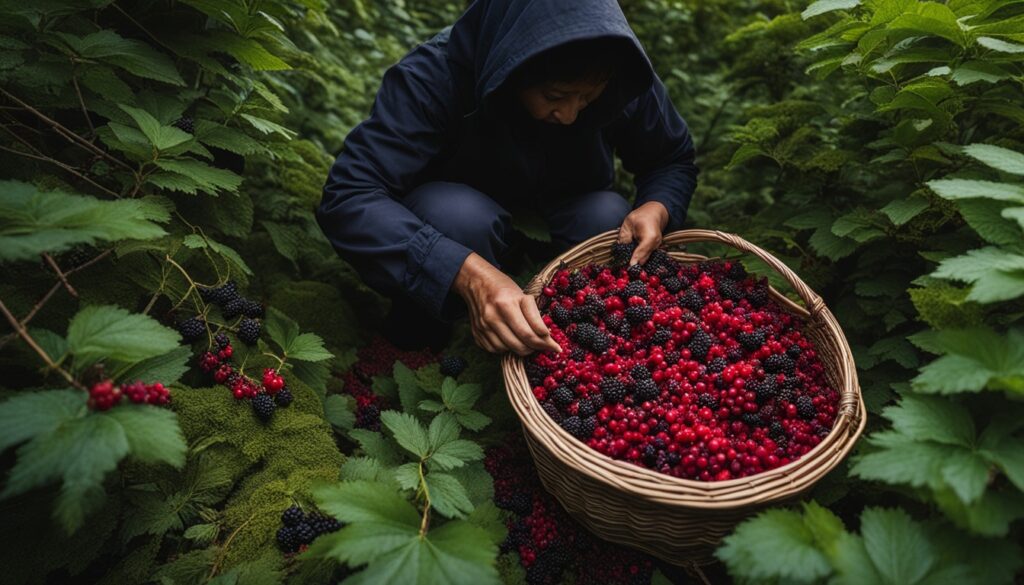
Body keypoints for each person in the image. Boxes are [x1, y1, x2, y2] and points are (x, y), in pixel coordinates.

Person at [316, 0, 698, 355]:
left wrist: (657, 206)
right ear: (514, 69)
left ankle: (577, 346)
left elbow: (671, 157)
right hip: (464, 228)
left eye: (586, 99)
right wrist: (466, 273)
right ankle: (421, 341)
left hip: (562, 216)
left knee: (607, 219)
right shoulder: (434, 76)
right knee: (456, 216)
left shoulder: (612, 68)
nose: (569, 115)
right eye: (554, 96)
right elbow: (349, 196)